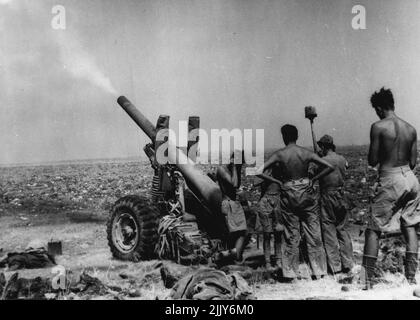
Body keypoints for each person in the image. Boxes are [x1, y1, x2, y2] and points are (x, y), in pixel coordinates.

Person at [257, 124, 334, 280]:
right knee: (314, 232)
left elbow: (259, 171)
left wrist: (277, 182)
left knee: (291, 234)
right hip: (306, 192)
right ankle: (318, 271)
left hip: (288, 193)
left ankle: (290, 273)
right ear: (297, 136)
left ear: (284, 137)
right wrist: (313, 179)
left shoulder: (280, 154)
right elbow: (329, 166)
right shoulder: (306, 153)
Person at [363, 87, 420, 288]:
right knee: (410, 225)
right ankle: (411, 277)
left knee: (373, 228)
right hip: (411, 179)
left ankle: (366, 281)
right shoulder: (411, 128)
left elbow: (373, 160)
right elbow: (413, 162)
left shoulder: (378, 126)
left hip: (390, 177)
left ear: (379, 108)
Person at [316, 135, 354, 274]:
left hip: (327, 195)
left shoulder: (322, 160)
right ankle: (348, 263)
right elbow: (346, 167)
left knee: (329, 231)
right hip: (342, 195)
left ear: (324, 147)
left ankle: (335, 267)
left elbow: (313, 174)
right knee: (343, 230)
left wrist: (317, 157)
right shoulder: (342, 159)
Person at [216, 151, 248, 263]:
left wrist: (236, 168)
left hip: (232, 203)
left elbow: (236, 184)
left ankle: (234, 258)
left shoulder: (228, 170)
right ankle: (234, 257)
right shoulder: (223, 169)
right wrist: (235, 167)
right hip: (230, 204)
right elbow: (234, 184)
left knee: (236, 234)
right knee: (241, 233)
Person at [256, 165, 283, 271]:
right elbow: (255, 182)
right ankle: (267, 261)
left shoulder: (282, 176)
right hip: (266, 202)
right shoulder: (266, 175)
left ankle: (278, 260)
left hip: (277, 203)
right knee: (267, 234)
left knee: (278, 234)